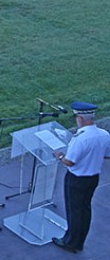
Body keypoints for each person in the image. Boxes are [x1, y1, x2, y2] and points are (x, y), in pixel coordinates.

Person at [52, 102, 110, 254]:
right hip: (93, 178)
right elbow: (108, 154)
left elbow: (70, 161)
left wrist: (59, 155)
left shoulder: (81, 138)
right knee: (85, 209)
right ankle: (79, 242)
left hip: (76, 179)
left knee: (74, 211)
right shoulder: (104, 134)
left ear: (81, 118)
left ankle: (70, 242)